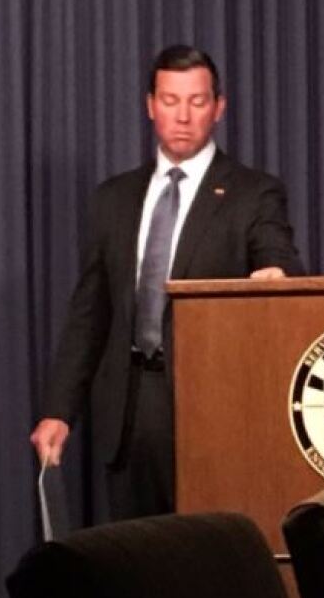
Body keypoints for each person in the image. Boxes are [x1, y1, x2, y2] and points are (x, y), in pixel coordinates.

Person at [30, 44, 304, 520]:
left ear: (218, 108)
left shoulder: (252, 192)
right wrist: (59, 410)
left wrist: (276, 275)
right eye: (171, 100)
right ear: (150, 105)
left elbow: (278, 259)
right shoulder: (112, 199)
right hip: (128, 410)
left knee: (203, 564)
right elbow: (90, 314)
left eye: (196, 102)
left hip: (212, 409)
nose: (182, 116)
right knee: (137, 565)